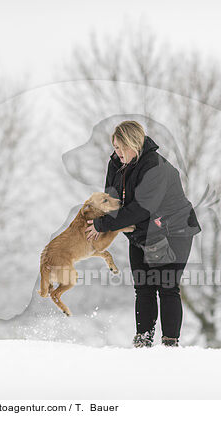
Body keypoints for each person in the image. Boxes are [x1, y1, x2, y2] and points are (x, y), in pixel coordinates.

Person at [85, 121, 201, 347]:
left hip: (173, 230)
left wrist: (103, 225)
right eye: (115, 147)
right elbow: (111, 200)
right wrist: (96, 220)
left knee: (167, 286)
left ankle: (170, 343)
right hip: (141, 230)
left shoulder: (155, 167)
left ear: (133, 144)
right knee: (143, 286)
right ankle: (143, 339)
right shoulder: (116, 164)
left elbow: (141, 208)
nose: (116, 153)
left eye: (120, 148)